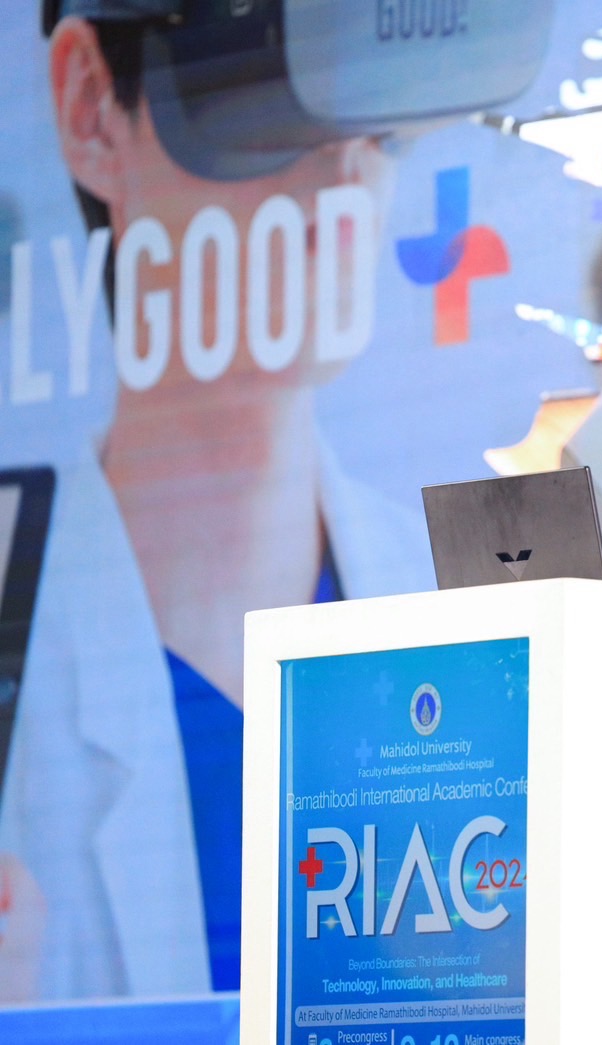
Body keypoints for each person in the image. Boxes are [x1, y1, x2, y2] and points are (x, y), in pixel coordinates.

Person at [0, 7, 431, 1001]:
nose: (343, 172)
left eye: (375, 109)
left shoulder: (462, 605)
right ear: (92, 107)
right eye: (266, 92)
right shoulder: (28, 660)